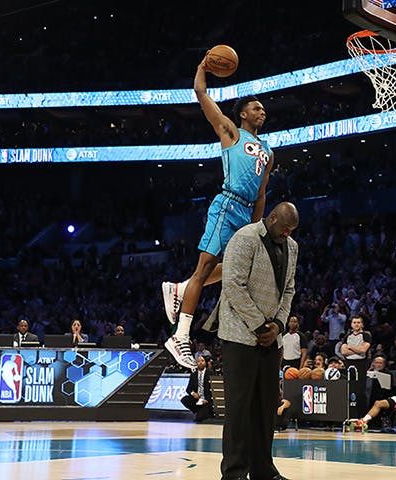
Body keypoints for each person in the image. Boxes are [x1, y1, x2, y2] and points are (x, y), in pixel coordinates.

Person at [162, 53, 274, 370]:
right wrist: (201, 68)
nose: (261, 110)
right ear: (242, 114)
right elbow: (201, 94)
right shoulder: (230, 132)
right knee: (205, 269)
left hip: (246, 215)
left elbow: (263, 193)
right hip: (227, 205)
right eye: (255, 107)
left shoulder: (269, 151)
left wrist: (256, 228)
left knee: (233, 270)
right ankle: (180, 335)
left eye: (263, 108)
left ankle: (179, 289)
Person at [202, 202, 298, 480]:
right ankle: (233, 473)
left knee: (266, 407)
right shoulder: (244, 238)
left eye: (291, 231)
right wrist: (259, 325)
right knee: (239, 408)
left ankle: (263, 470)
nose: (287, 235)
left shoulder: (292, 247)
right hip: (239, 335)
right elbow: (232, 285)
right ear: (271, 218)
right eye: (283, 229)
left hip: (271, 338)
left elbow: (289, 289)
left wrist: (278, 325)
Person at [180, 356, 214, 423]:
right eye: (198, 361)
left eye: (202, 361)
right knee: (184, 399)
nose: (200, 363)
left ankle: (204, 412)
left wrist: (207, 400)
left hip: (207, 400)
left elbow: (213, 390)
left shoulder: (210, 373)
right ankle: (197, 411)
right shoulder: (194, 374)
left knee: (199, 418)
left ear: (205, 362)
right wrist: (193, 393)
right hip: (197, 399)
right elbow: (188, 389)